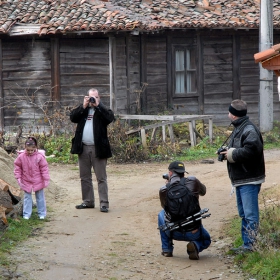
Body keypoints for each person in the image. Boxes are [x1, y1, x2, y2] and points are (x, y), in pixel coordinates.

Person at [219, 99, 265, 253]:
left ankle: (251, 246)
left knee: (250, 214)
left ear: (234, 115)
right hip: (242, 179)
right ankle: (247, 245)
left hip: (249, 179)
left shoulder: (249, 129)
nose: (228, 114)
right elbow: (242, 149)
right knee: (244, 213)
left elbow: (252, 151)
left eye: (229, 112)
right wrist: (227, 152)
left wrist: (231, 154)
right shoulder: (241, 128)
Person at [70, 88, 115, 213]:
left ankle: (104, 204)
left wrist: (98, 106)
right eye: (90, 97)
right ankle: (88, 201)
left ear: (98, 97)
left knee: (101, 178)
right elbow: (72, 117)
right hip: (83, 147)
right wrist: (83, 106)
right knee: (84, 177)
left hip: (98, 148)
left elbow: (110, 118)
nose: (92, 100)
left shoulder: (102, 110)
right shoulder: (83, 110)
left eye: (94, 97)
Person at [158, 161, 211, 260]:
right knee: (206, 240)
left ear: (170, 173)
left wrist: (169, 185)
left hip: (173, 232)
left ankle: (167, 249)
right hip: (193, 233)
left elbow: (165, 207)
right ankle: (195, 245)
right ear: (183, 172)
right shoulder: (193, 181)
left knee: (161, 214)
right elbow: (203, 192)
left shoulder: (164, 189)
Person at [14, 137, 50, 220]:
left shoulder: (39, 157)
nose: (30, 152)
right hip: (26, 180)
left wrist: (46, 179)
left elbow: (44, 168)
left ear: (35, 148)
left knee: (40, 197)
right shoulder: (21, 157)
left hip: (38, 180)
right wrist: (18, 177)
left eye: (32, 150)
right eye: (28, 150)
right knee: (27, 198)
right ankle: (26, 214)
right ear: (25, 148)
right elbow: (17, 167)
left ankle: (42, 213)